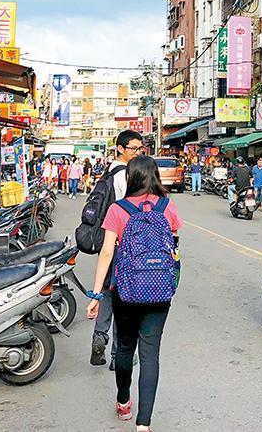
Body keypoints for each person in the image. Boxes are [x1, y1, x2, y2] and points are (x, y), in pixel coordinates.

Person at [86, 155, 180, 432]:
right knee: (150, 354)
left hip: (125, 289)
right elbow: (173, 249)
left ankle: (124, 401)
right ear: (155, 177)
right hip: (160, 291)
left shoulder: (119, 209)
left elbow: (106, 253)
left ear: (131, 178)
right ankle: (144, 424)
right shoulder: (167, 207)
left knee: (125, 347)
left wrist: (95, 294)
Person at [91, 130, 146, 369]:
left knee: (106, 293)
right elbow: (127, 211)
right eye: (133, 148)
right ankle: (117, 355)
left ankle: (99, 337)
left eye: (140, 148)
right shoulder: (124, 175)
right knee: (123, 299)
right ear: (121, 149)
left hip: (109, 243)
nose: (138, 152)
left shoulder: (110, 172)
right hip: (122, 245)